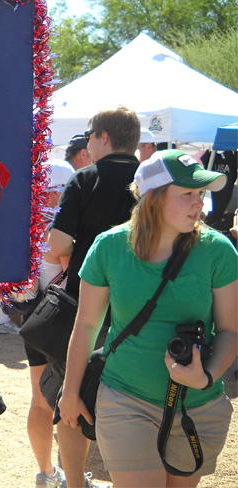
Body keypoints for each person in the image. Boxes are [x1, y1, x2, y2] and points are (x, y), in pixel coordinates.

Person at [58, 150, 237, 487]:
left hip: (196, 406)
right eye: (187, 193)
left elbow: (230, 330)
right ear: (152, 198)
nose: (199, 203)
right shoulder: (108, 248)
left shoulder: (218, 250)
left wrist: (206, 376)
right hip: (125, 399)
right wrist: (70, 392)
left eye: (200, 193)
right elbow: (86, 325)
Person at [45, 106, 142, 488]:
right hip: (140, 306)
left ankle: (73, 483)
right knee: (136, 402)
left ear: (102, 136)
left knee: (71, 402)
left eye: (89, 136)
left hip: (85, 306)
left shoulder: (85, 179)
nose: (86, 143)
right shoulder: (153, 182)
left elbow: (58, 243)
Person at [22, 159, 74, 488]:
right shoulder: (62, 230)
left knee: (39, 401)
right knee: (69, 400)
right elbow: (73, 282)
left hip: (33, 320)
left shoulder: (22, 224)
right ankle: (71, 475)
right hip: (63, 321)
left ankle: (47, 474)